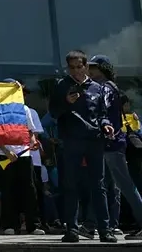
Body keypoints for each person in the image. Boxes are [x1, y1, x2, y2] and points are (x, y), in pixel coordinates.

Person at [49, 50, 115, 243]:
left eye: (80, 66)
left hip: (94, 139)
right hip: (71, 140)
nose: (76, 71)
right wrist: (66, 103)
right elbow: (53, 112)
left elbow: (102, 113)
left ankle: (105, 229)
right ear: (67, 68)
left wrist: (106, 125)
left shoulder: (97, 88)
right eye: (72, 67)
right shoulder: (62, 86)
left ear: (86, 66)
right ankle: (72, 229)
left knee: (98, 185)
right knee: (70, 185)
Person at [87, 55, 142, 240]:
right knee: (102, 185)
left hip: (110, 143)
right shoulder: (108, 87)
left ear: (102, 69)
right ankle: (91, 225)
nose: (89, 71)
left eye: (93, 67)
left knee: (124, 185)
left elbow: (102, 113)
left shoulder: (105, 88)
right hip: (109, 143)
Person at [0, 79, 45, 236]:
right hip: (5, 155)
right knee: (8, 190)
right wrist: (7, 151)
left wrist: (33, 143)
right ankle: (9, 225)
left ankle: (33, 225)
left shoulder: (25, 109)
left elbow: (30, 131)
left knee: (29, 190)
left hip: (24, 154)